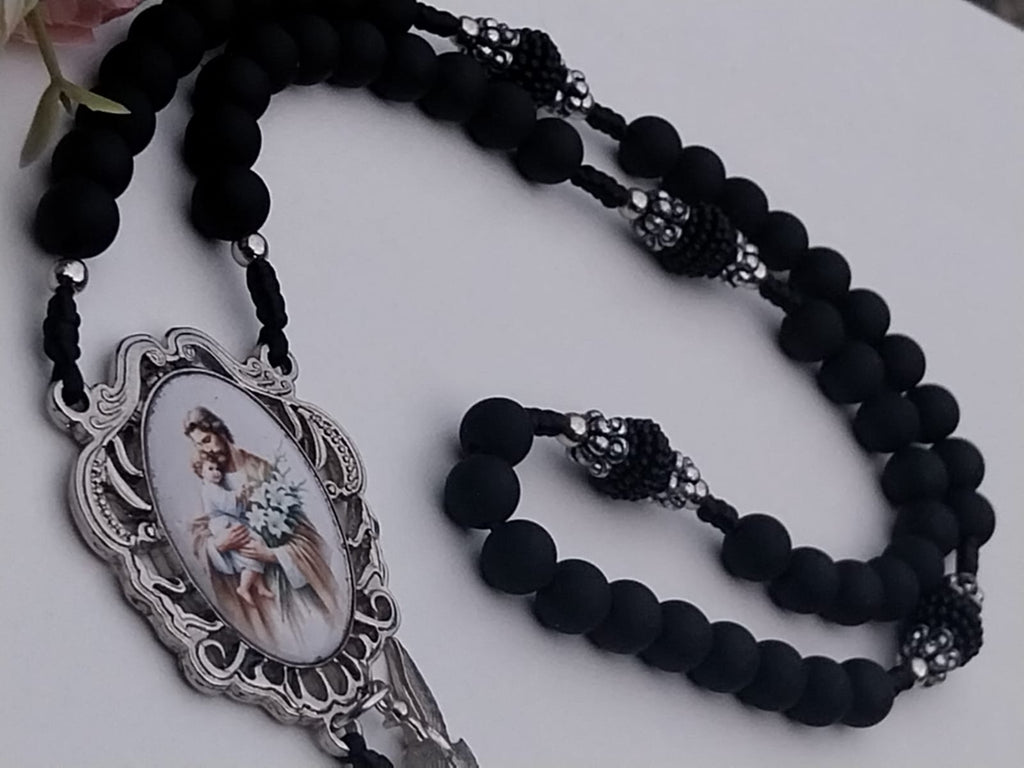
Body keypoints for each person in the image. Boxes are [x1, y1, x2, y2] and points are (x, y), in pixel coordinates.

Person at [184, 406, 342, 655]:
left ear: (220, 432)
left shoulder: (260, 470)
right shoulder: (210, 483)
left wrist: (273, 555)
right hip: (257, 613)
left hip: (295, 592)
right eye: (199, 446)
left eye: (207, 440)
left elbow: (308, 536)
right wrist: (218, 546)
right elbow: (197, 535)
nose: (207, 450)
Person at [193, 455, 275, 606]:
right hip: (223, 525)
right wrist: (237, 494)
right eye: (210, 469)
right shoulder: (210, 489)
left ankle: (260, 586)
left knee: (253, 549)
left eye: (218, 469)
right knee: (250, 549)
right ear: (201, 472)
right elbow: (226, 503)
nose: (216, 472)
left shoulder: (216, 488)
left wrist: (241, 497)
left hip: (229, 521)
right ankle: (243, 588)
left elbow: (235, 510)